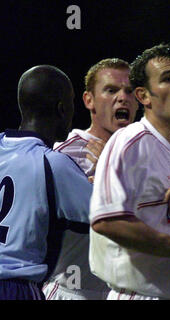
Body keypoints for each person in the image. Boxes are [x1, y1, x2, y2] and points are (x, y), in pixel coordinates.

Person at [89, 44, 170, 300]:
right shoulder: (129, 143)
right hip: (139, 295)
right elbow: (107, 220)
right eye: (169, 79)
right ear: (144, 96)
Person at [43, 58, 138, 300]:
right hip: (72, 291)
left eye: (129, 91)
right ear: (89, 100)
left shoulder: (146, 152)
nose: (122, 97)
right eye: (111, 90)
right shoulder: (65, 154)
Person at [0, 65, 92, 299]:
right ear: (62, 108)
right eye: (72, 101)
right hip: (14, 286)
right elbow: (107, 219)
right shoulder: (53, 164)